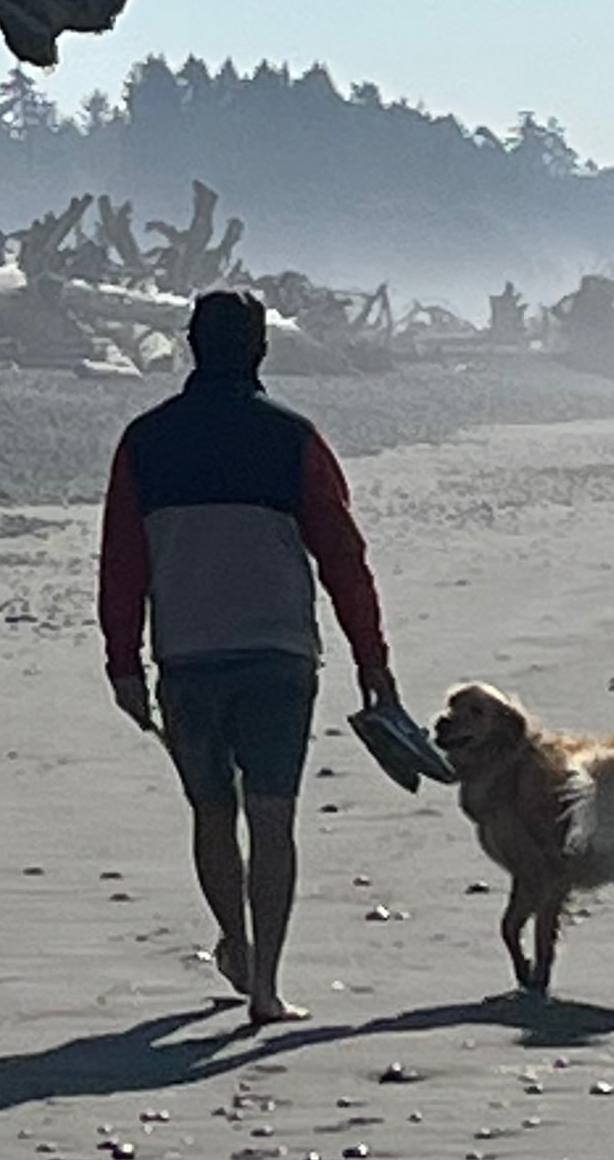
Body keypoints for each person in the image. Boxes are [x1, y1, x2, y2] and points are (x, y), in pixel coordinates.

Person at [97, 285, 405, 1025]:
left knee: (212, 812)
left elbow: (122, 563)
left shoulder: (145, 439)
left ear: (190, 345)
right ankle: (265, 986)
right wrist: (372, 659)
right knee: (273, 819)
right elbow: (344, 559)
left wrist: (123, 663)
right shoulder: (293, 437)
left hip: (187, 655)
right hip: (278, 655)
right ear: (262, 348)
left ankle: (233, 941)